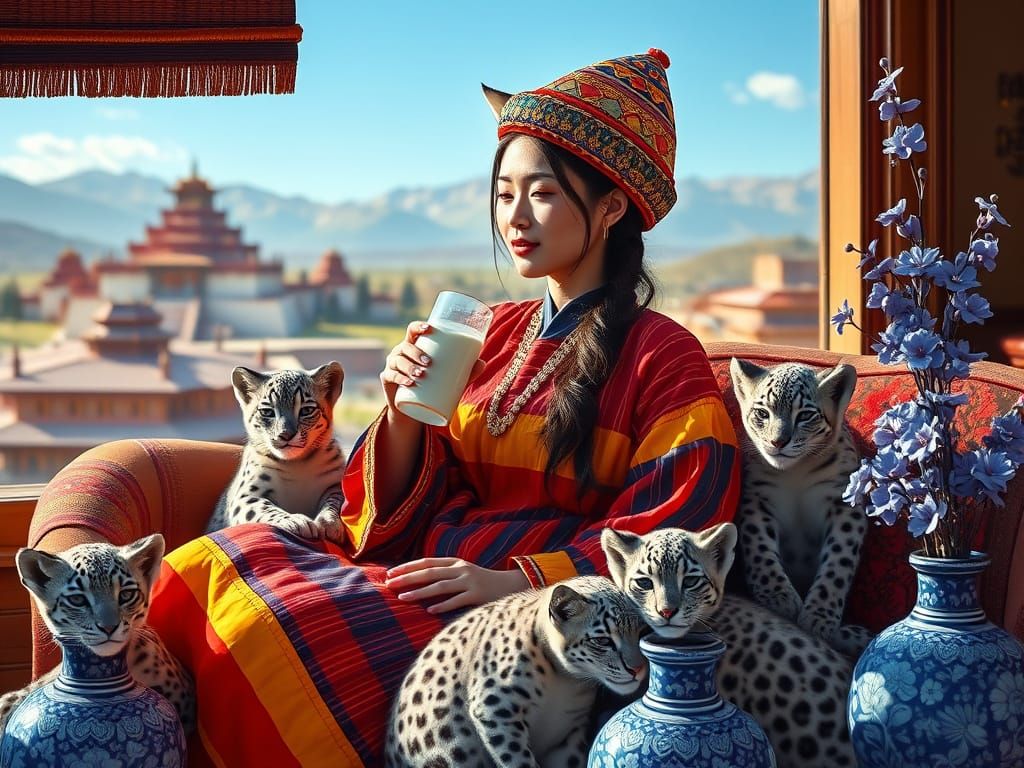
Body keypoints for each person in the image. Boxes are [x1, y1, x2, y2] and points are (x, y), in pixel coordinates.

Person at [147, 48, 740, 767]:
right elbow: (408, 498)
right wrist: (400, 412)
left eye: (543, 194)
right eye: (503, 193)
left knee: (268, 633)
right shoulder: (488, 333)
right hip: (434, 568)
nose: (514, 217)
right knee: (210, 563)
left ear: (612, 206)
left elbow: (671, 535)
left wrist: (514, 582)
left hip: (527, 620)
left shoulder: (662, 356)